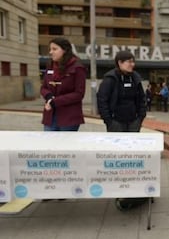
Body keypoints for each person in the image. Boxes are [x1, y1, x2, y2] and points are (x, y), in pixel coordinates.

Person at [97, 50, 147, 211]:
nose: (132, 64)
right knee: (118, 155)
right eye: (128, 61)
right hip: (116, 123)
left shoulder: (135, 78)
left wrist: (140, 117)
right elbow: (102, 101)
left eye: (133, 61)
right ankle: (119, 187)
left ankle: (132, 186)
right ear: (119, 62)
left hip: (133, 122)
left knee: (132, 155)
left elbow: (141, 99)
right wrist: (109, 121)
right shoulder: (110, 79)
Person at [40, 37, 86, 131]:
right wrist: (48, 96)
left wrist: (56, 101)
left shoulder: (77, 68)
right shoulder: (50, 66)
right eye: (50, 49)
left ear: (64, 50)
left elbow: (79, 94)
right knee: (48, 144)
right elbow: (43, 87)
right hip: (50, 115)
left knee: (65, 145)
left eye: (54, 49)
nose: (51, 52)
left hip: (68, 117)